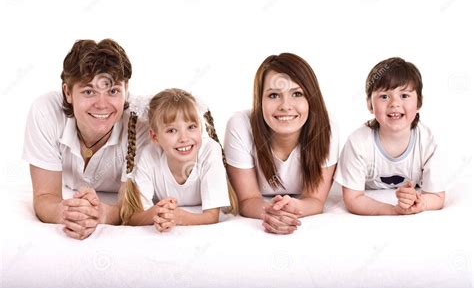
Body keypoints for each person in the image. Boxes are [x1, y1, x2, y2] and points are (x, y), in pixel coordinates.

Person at [22, 39, 149, 239]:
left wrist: (102, 214)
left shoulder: (141, 123)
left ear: (126, 90)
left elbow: (133, 206)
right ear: (68, 92)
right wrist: (68, 213)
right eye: (89, 91)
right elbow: (45, 196)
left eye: (113, 91)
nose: (102, 104)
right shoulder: (45, 112)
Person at [224, 53, 338, 234]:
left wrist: (293, 207)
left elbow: (315, 200)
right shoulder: (240, 125)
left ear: (311, 98)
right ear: (259, 100)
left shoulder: (326, 126)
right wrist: (270, 213)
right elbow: (247, 200)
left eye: (297, 94)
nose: (285, 105)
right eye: (274, 95)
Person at [334, 57, 445, 215]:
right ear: (370, 104)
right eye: (384, 96)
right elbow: (353, 198)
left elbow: (437, 195)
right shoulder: (358, 142)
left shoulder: (427, 141)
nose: (394, 103)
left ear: (419, 103)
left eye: (404, 96)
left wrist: (420, 203)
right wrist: (394, 210)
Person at [120, 88, 237, 230]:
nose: (184, 138)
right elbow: (134, 217)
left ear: (200, 128)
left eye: (191, 127)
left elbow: (212, 216)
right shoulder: (149, 156)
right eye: (171, 130)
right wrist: (157, 213)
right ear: (154, 137)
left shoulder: (210, 151)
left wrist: (179, 217)